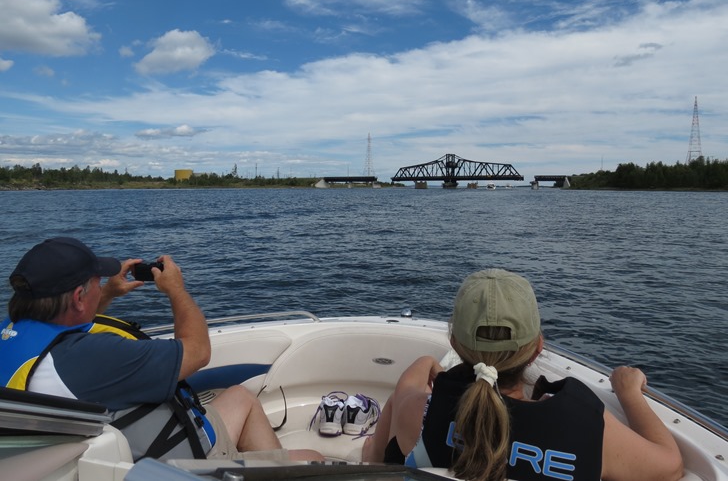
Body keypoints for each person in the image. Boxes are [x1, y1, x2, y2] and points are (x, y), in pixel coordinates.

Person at [0, 237, 321, 462]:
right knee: (313, 460)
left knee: (241, 396)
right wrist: (176, 290)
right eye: (97, 281)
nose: (102, 284)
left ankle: (267, 461)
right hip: (184, 461)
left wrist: (107, 294)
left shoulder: (14, 333)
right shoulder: (94, 358)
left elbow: (71, 324)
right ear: (78, 298)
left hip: (134, 444)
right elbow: (197, 351)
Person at [362, 268, 683, 481]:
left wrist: (427, 362)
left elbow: (407, 386)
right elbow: (670, 468)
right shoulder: (587, 427)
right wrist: (629, 394)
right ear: (537, 348)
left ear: (455, 343)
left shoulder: (417, 412)